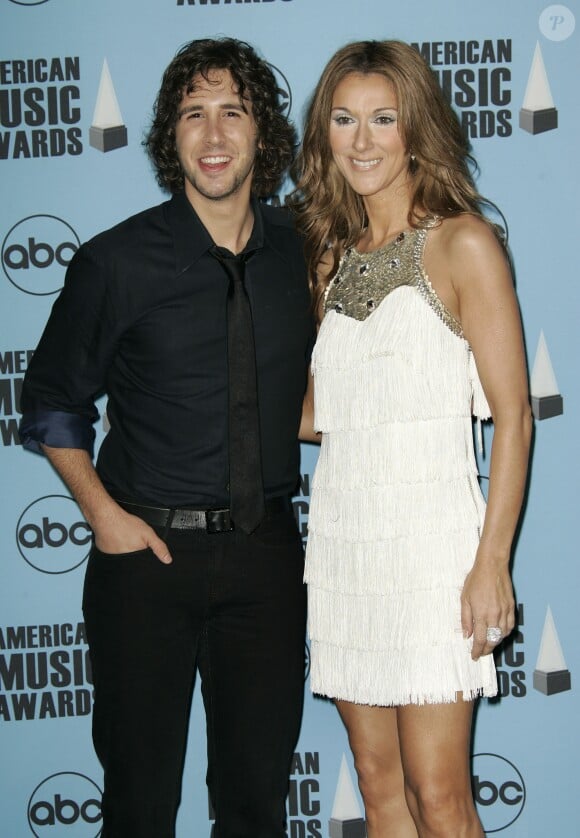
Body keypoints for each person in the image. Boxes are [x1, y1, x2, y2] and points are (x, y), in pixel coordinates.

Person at [20, 37, 314, 838]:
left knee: (257, 806)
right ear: (169, 135)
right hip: (144, 561)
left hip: (266, 558)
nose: (213, 136)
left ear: (264, 136)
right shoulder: (116, 261)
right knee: (141, 806)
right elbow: (50, 401)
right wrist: (103, 517)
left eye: (232, 113)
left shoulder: (305, 251)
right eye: (193, 115)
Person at [294, 40, 532, 837]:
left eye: (383, 119)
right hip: (346, 551)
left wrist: (490, 561)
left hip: (434, 553)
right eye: (344, 119)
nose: (362, 141)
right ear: (323, 134)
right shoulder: (328, 260)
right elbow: (318, 416)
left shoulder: (462, 243)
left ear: (416, 129)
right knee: (377, 783)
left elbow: (514, 416)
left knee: (440, 794)